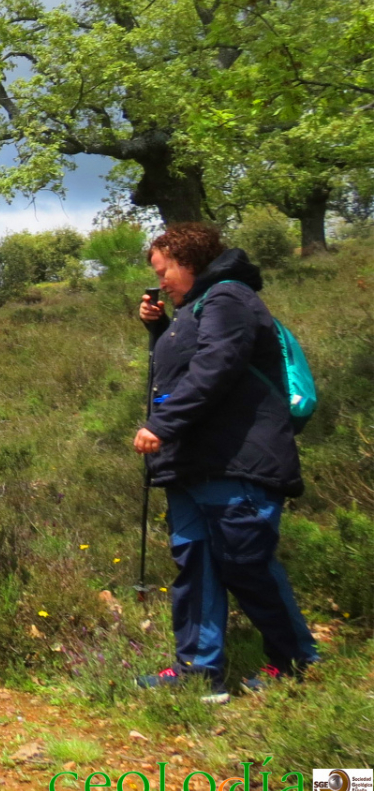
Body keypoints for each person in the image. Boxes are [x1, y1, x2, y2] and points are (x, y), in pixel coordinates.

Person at [134, 223, 318, 703]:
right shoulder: (195, 308)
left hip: (237, 459)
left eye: (164, 270)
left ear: (188, 260)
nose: (161, 281)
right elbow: (184, 366)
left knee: (245, 561)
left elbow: (218, 365)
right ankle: (198, 671)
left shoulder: (229, 298)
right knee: (195, 565)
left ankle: (296, 660)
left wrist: (163, 423)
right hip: (194, 462)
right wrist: (159, 328)